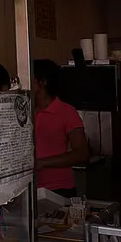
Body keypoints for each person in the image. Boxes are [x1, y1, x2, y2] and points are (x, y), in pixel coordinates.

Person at [33, 59, 89, 198]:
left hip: (59, 189)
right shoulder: (24, 111)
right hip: (29, 190)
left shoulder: (66, 112)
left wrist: (42, 163)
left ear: (42, 82)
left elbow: (82, 153)